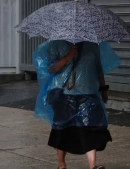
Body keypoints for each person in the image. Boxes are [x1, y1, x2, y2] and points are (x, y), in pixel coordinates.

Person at [46, 40, 112, 169]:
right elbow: (51, 68)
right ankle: (61, 164)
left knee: (90, 128)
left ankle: (93, 166)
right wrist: (68, 57)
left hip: (88, 94)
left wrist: (103, 89)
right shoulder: (56, 45)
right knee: (62, 129)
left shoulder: (92, 46)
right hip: (64, 94)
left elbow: (98, 69)